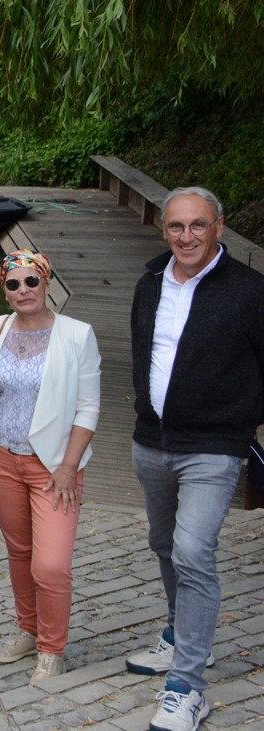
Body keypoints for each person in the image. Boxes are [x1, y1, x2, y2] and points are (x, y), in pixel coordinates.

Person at [124, 186, 264, 731]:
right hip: (150, 441)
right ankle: (182, 636)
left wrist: (238, 416)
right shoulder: (149, 281)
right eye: (177, 226)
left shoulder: (251, 292)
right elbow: (147, 354)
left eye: (198, 226)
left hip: (214, 446)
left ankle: (187, 687)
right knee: (163, 543)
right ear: (165, 230)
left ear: (219, 227)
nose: (187, 236)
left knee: (192, 551)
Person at [0, 250, 100, 684]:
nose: (23, 291)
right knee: (20, 553)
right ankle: (28, 630)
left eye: (31, 281)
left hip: (55, 467)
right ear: (5, 290)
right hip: (2, 459)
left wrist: (69, 466)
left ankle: (53, 649)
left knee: (51, 565)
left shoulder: (77, 334)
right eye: (13, 284)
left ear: (47, 282)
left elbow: (88, 407)